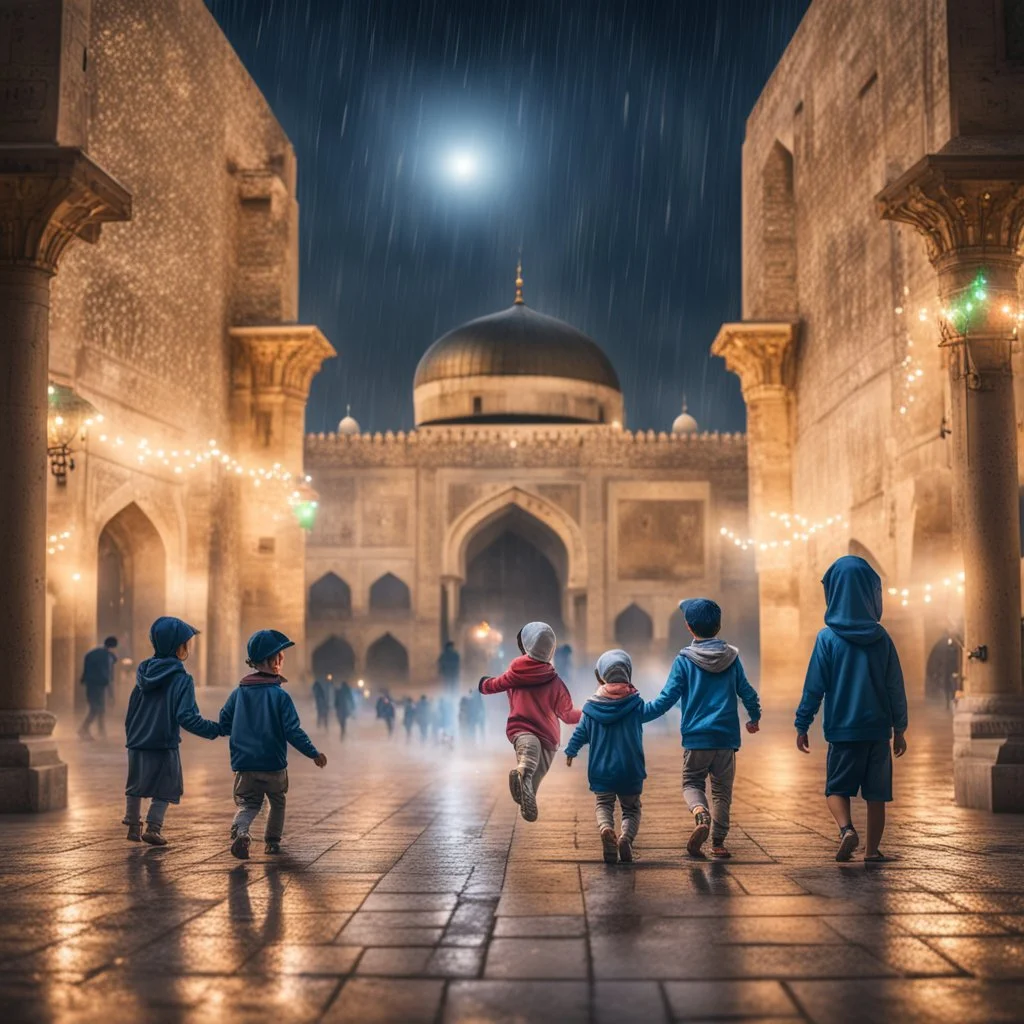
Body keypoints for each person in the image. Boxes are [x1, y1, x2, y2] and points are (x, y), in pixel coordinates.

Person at [795, 556, 908, 863]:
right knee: (876, 796)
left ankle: (846, 830)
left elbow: (814, 687)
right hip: (877, 730)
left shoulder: (827, 638)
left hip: (843, 731)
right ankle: (872, 852)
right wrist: (900, 729)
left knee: (836, 789)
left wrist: (802, 723)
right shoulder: (881, 638)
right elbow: (895, 686)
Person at [644, 598, 761, 859]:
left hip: (696, 738)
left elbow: (666, 699)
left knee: (691, 782)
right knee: (722, 792)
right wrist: (754, 717)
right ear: (719, 626)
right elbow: (747, 693)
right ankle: (718, 843)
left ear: (688, 627)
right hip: (726, 738)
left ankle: (700, 814)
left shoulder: (684, 661)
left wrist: (639, 714)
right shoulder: (732, 657)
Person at [219, 629, 326, 859]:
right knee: (277, 802)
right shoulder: (280, 696)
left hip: (245, 764)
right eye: (281, 656)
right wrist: (312, 752)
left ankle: (241, 830)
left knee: (248, 804)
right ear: (275, 661)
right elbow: (293, 731)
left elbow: (224, 721)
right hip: (273, 764)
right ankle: (272, 842)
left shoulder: (238, 693)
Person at [123, 617, 220, 845]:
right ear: (179, 646)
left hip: (137, 739)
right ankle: (153, 827)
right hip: (163, 740)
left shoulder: (143, 673)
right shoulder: (181, 679)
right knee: (167, 784)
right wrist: (215, 729)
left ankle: (132, 824)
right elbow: (186, 717)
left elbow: (132, 708)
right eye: (187, 643)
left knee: (136, 780)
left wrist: (132, 734)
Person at [479, 621, 581, 822]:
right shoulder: (555, 682)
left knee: (529, 757)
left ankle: (525, 782)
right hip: (549, 737)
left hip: (521, 727)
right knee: (536, 764)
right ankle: (524, 776)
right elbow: (567, 714)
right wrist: (590, 713)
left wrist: (483, 684)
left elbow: (493, 685)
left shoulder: (514, 675)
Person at [565, 650, 648, 864]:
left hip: (601, 771)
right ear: (628, 674)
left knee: (603, 805)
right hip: (630, 770)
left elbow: (580, 733)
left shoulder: (591, 708)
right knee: (631, 809)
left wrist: (571, 751)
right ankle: (625, 839)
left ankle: (606, 829)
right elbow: (656, 709)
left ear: (600, 676)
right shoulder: (636, 704)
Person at [79, 636, 119, 740]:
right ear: (113, 647)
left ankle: (101, 731)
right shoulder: (107, 657)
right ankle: (84, 729)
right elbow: (108, 676)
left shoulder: (93, 653)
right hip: (99, 685)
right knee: (96, 708)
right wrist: (111, 695)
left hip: (90, 684)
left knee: (99, 708)